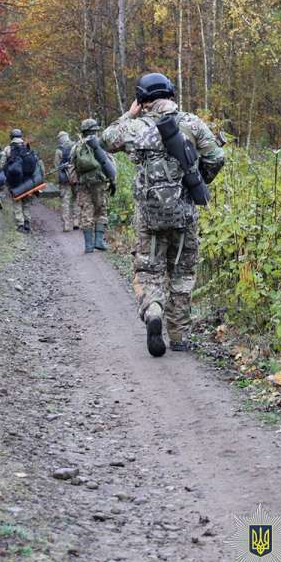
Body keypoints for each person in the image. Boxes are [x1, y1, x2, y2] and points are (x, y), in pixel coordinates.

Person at [103, 73, 225, 357]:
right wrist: (198, 181)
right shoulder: (191, 123)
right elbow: (217, 158)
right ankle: (179, 335)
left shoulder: (136, 127)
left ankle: (154, 311)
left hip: (149, 218)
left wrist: (128, 114)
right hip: (185, 214)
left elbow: (107, 140)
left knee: (149, 270)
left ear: (143, 98)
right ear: (170, 93)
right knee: (182, 273)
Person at [70, 118, 117, 253]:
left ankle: (89, 246)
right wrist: (113, 181)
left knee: (86, 212)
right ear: (95, 131)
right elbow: (109, 163)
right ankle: (99, 242)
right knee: (101, 210)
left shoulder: (76, 147)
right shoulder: (100, 145)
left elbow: (72, 168)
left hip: (83, 184)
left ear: (83, 131)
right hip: (100, 183)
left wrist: (76, 185)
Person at [4, 128, 43, 232]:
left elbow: (1, 165)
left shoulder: (8, 149)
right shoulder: (27, 147)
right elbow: (36, 163)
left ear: (11, 137)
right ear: (21, 136)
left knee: (17, 201)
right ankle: (27, 222)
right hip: (27, 180)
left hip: (14, 180)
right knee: (26, 202)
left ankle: (20, 224)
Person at [54, 131, 77, 232]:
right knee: (77, 199)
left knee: (65, 202)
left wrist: (58, 180)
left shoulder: (58, 151)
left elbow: (57, 167)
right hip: (76, 177)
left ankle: (66, 225)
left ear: (60, 139)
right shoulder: (76, 146)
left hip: (65, 179)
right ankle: (76, 222)